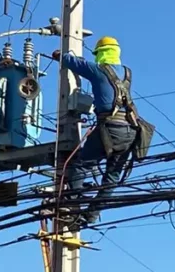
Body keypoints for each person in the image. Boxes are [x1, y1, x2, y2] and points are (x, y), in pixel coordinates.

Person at [52, 36, 139, 224]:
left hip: (109, 128)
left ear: (100, 53)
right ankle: (91, 215)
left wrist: (59, 55)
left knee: (82, 165)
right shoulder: (127, 73)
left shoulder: (98, 70)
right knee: (112, 177)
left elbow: (74, 63)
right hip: (131, 132)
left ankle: (72, 207)